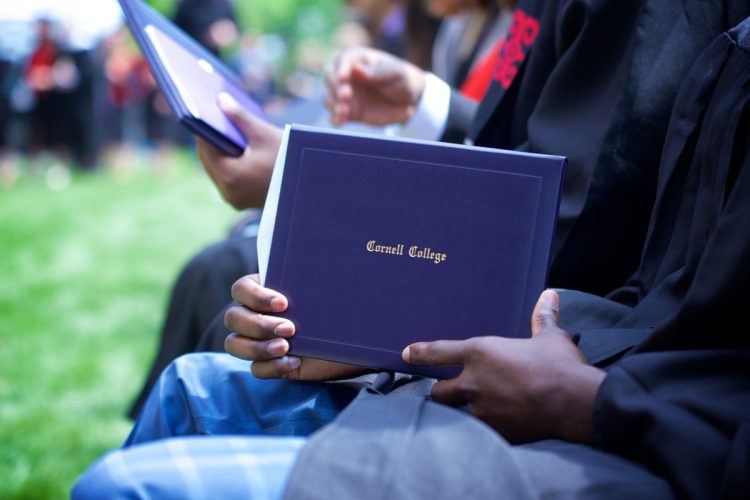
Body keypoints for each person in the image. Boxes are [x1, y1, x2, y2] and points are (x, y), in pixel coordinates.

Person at [73, 13, 750, 499]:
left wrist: (309, 191)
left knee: (126, 482)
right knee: (196, 379)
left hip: (633, 415)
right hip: (607, 365)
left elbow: (586, 219)